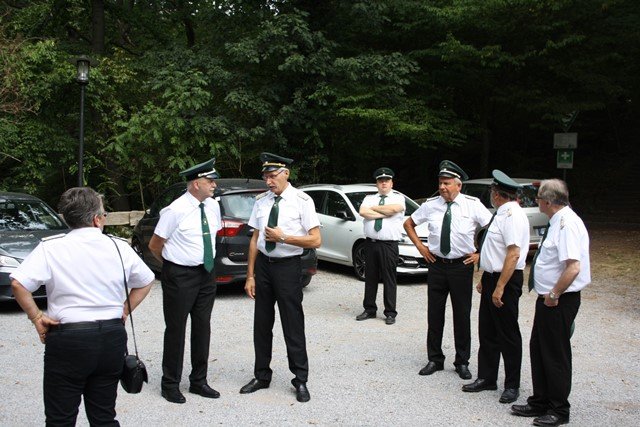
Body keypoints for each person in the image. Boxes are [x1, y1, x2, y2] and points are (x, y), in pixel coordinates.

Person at [10, 187, 154, 426]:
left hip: (69, 338)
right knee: (104, 416)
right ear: (96, 219)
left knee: (60, 418)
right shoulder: (118, 246)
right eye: (104, 214)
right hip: (111, 336)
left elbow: (18, 284)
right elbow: (146, 280)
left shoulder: (51, 247)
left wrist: (36, 317)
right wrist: (125, 310)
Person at [239, 152, 321, 403]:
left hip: (288, 267)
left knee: (292, 324)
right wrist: (250, 275)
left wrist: (283, 237)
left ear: (286, 174)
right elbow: (255, 239)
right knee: (262, 324)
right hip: (264, 266)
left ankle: (300, 379)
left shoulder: (302, 200)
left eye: (273, 176)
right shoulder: (262, 201)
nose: (269, 181)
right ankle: (261, 376)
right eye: (266, 177)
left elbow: (315, 240)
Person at [511, 179, 590, 426]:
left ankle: (559, 409)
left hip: (559, 299)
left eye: (538, 198)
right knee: (539, 349)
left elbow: (573, 267)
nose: (536, 201)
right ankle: (540, 401)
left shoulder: (567, 224)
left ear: (547, 201)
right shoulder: (557, 221)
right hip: (549, 298)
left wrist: (554, 294)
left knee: (555, 354)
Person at [404, 160, 492, 380]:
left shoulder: (472, 205)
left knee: (462, 315)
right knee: (435, 314)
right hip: (436, 265)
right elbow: (408, 224)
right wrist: (421, 248)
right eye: (440, 183)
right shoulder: (431, 205)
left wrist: (480, 253)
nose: (442, 187)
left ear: (458, 185)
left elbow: (493, 228)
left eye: (447, 183)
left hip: (461, 266)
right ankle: (435, 359)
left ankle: (462, 361)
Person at [148, 158, 222, 404]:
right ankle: (170, 384)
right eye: (210, 181)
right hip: (179, 275)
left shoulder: (212, 206)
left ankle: (199, 381)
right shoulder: (175, 210)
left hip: (206, 273)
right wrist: (173, 265)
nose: (214, 185)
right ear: (195, 184)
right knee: (176, 329)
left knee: (202, 327)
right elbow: (155, 245)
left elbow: (212, 236)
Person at [462, 170, 530, 404]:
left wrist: (500, 287)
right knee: (488, 330)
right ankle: (487, 377)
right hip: (493, 277)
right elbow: (494, 250)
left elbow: (513, 254)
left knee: (508, 334)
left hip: (506, 280)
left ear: (497, 194)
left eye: (492, 191)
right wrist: (486, 278)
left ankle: (512, 385)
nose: (491, 194)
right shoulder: (501, 213)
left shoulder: (512, 214)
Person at [356, 167, 406, 325]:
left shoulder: (398, 198)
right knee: (370, 277)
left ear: (392, 183)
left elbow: (395, 209)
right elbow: (363, 212)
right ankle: (369, 309)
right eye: (380, 181)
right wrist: (385, 213)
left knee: (389, 278)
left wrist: (374, 209)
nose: (384, 183)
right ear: (377, 183)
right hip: (371, 243)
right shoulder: (369, 198)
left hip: (388, 245)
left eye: (387, 180)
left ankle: (390, 312)